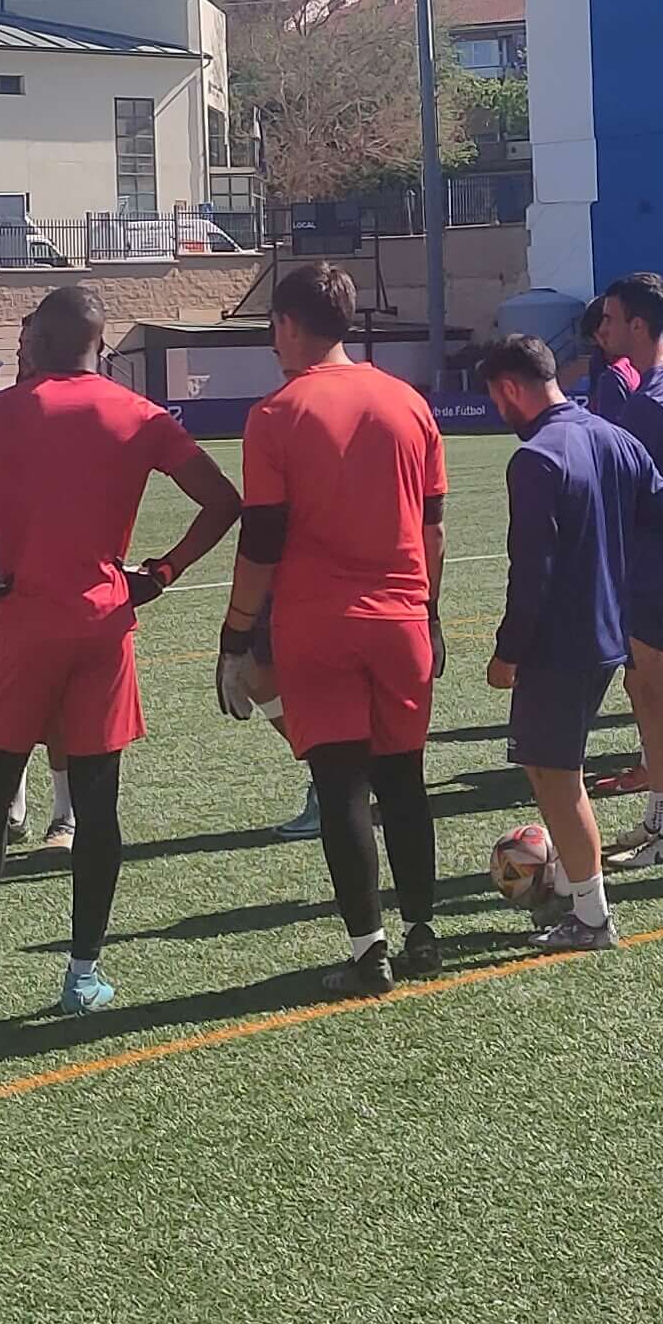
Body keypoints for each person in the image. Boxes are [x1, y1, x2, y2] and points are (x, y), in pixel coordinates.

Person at [0, 283, 240, 1020]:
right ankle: (82, 976)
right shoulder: (139, 415)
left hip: (18, 626)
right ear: (100, 346)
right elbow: (224, 501)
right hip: (103, 627)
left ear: (36, 345)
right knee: (97, 808)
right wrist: (161, 573)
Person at [217, 260, 449, 993]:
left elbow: (263, 539)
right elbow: (434, 527)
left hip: (320, 624)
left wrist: (235, 632)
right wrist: (431, 612)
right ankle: (422, 934)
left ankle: (367, 949)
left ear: (287, 325)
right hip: (402, 617)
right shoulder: (408, 402)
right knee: (405, 782)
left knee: (342, 786)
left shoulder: (277, 414)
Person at [475, 333, 647, 954]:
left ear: (509, 388)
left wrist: (509, 650)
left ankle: (593, 916)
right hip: (605, 634)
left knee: (557, 775)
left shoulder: (536, 459)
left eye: (497, 398)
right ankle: (576, 890)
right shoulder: (614, 438)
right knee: (547, 768)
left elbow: (533, 570)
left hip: (558, 644)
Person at [580, 270, 663, 859]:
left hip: (654, 561)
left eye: (610, 318)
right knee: (651, 689)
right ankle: (660, 818)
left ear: (637, 324)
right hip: (648, 558)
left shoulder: (653, 399)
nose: (602, 329)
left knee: (661, 693)